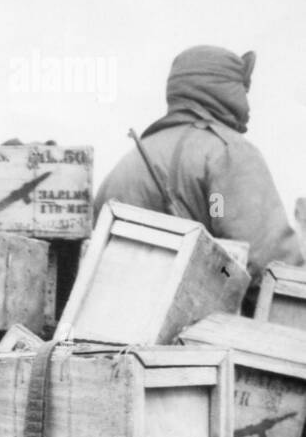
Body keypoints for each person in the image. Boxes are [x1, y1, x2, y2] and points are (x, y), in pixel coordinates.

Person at [94, 46, 303, 286]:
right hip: (201, 318)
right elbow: (268, 264)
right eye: (243, 90)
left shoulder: (130, 160)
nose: (248, 104)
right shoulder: (226, 153)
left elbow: (218, 211)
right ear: (224, 89)